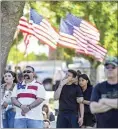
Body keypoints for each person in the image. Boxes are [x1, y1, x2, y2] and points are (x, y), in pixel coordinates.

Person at [90, 56, 118, 128]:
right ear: (104, 70)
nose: (110, 69)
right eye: (107, 67)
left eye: (113, 67)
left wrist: (104, 100)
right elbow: (93, 108)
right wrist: (114, 104)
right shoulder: (98, 87)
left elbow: (97, 107)